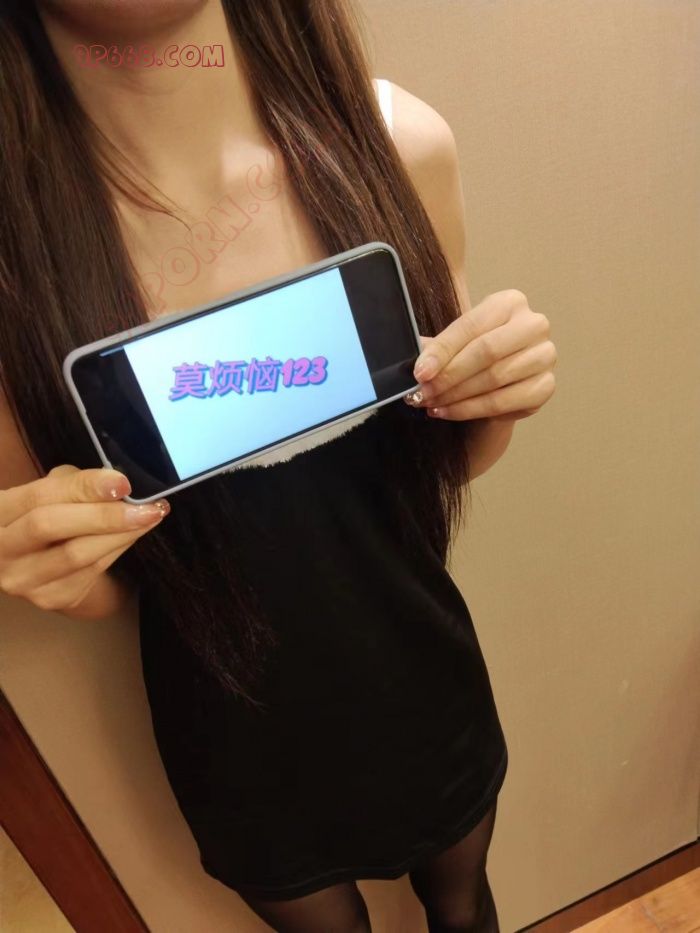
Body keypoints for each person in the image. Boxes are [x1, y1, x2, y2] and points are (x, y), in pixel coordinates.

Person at [0, 1, 556, 930]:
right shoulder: (19, 263)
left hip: (416, 661)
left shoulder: (396, 144)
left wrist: (496, 390)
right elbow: (105, 583)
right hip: (237, 733)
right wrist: (47, 560)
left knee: (464, 903)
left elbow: (445, 466)